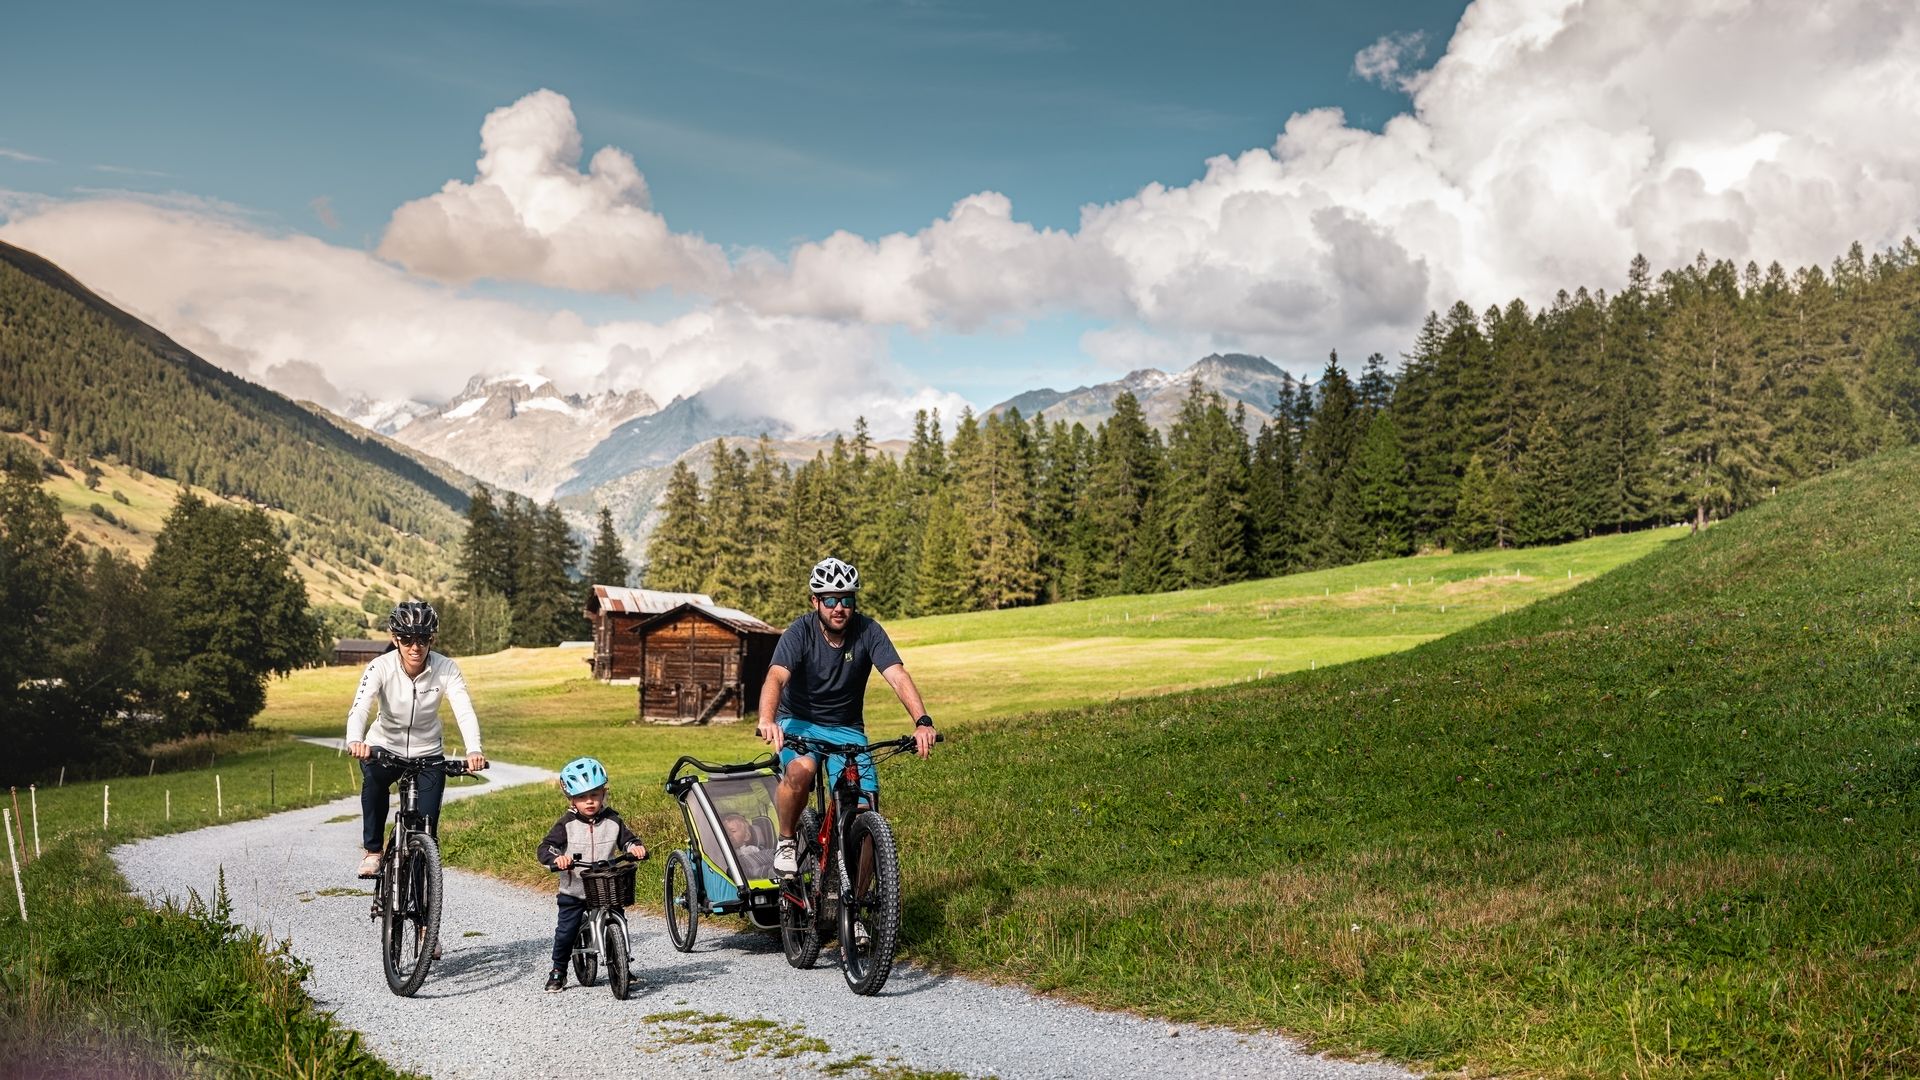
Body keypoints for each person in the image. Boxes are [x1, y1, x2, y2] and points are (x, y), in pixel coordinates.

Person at [757, 557, 936, 876]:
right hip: (799, 723)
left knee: (866, 806)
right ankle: (786, 840)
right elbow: (776, 677)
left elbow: (897, 676)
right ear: (815, 601)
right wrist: (768, 719)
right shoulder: (800, 632)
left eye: (846, 599)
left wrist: (922, 721)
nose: (838, 607)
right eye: (830, 599)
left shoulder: (868, 631)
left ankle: (859, 915)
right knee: (802, 770)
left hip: (847, 729)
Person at [345, 600, 486, 879]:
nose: (415, 646)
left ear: (431, 639)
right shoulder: (379, 667)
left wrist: (474, 750)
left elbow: (464, 709)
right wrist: (355, 741)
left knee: (427, 828)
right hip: (384, 747)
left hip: (428, 752)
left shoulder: (446, 668)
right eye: (407, 639)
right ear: (395, 638)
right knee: (374, 782)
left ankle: (423, 909)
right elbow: (361, 706)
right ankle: (373, 851)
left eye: (422, 638)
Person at [536, 756, 648, 993]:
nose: (589, 802)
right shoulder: (565, 824)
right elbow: (545, 848)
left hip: (606, 887)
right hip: (574, 890)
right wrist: (558, 859)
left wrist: (634, 848)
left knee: (619, 919)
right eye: (581, 797)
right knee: (566, 931)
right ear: (571, 799)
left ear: (603, 794)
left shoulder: (613, 820)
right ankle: (558, 970)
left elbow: (628, 840)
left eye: (595, 795)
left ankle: (622, 964)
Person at [721, 812, 774, 880]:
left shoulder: (752, 850)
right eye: (725, 831)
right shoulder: (720, 855)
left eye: (733, 831)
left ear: (746, 836)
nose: (728, 834)